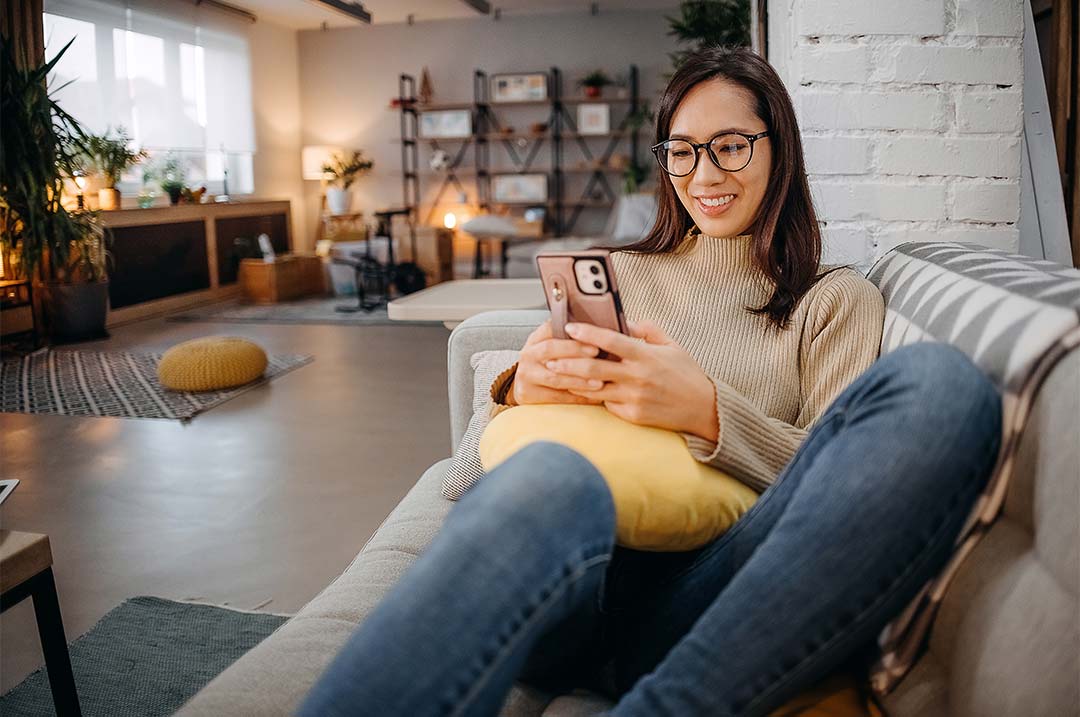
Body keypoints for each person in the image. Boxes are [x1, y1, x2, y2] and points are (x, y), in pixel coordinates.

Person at [299, 46, 1001, 717]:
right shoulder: (620, 273)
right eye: (681, 151)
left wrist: (708, 414)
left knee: (942, 387)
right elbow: (480, 467)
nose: (704, 175)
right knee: (550, 473)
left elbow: (837, 479)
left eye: (730, 145)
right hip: (572, 577)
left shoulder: (833, 300)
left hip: (709, 594)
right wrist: (522, 387)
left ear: (777, 148)